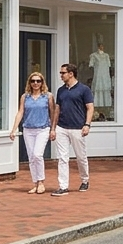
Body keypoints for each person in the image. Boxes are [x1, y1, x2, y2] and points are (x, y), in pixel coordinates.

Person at [50, 63, 95, 196]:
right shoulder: (61, 90)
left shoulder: (84, 89)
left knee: (80, 156)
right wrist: (53, 128)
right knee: (62, 158)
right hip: (62, 127)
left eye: (63, 73)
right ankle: (63, 186)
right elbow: (57, 109)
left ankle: (85, 180)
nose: (61, 75)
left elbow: (90, 107)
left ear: (71, 74)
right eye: (60, 73)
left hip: (77, 127)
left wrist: (87, 124)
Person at [8, 71, 54, 194]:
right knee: (31, 157)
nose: (35, 83)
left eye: (38, 81)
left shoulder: (48, 96)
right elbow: (20, 112)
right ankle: (36, 183)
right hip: (28, 129)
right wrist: (14, 129)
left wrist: (53, 129)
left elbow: (53, 112)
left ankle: (41, 182)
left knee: (37, 155)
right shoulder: (25, 97)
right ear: (29, 82)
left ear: (42, 82)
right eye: (33, 81)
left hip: (43, 128)